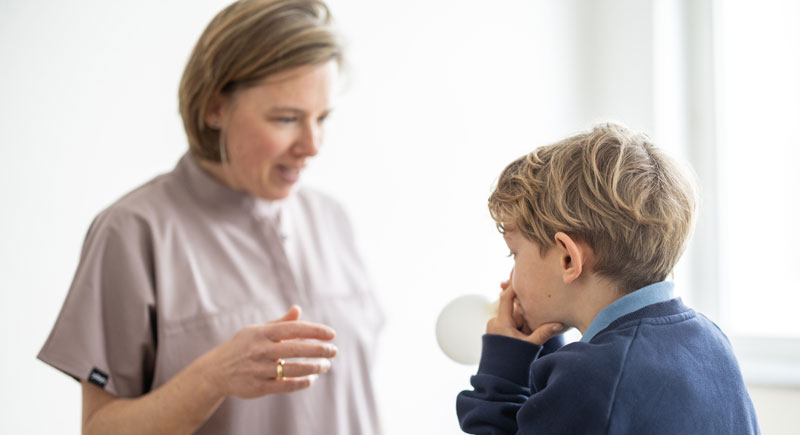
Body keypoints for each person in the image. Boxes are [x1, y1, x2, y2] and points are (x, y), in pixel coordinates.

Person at [37, 1, 384, 434]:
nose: (312, 145)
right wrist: (214, 376)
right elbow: (100, 428)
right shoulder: (134, 232)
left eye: (322, 118)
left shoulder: (332, 220)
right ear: (213, 108)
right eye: (287, 118)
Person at [456, 123, 760, 434]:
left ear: (568, 259)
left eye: (515, 255)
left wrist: (501, 380)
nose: (510, 278)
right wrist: (548, 351)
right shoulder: (711, 342)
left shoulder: (587, 378)